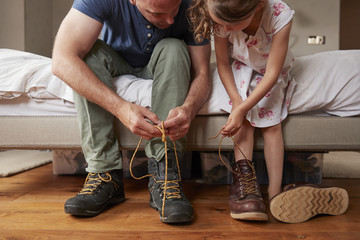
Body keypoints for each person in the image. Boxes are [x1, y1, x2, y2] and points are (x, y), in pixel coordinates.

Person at [52, 0, 211, 224]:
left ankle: (165, 174)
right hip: (114, 61)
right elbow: (62, 60)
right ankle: (104, 174)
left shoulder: (194, 4)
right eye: (157, 13)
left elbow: (203, 73)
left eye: (175, 9)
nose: (170, 20)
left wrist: (189, 108)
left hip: (165, 61)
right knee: (87, 55)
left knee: (175, 47)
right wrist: (121, 108)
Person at [189, 0, 295, 221]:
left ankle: (275, 192)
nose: (225, 30)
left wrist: (244, 107)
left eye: (231, 25)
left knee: (271, 124)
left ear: (258, 6)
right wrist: (238, 103)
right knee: (243, 122)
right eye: (221, 25)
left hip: (270, 72)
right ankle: (247, 187)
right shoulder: (220, 18)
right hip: (240, 65)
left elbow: (272, 74)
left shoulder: (280, 15)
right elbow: (223, 64)